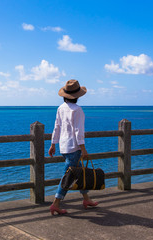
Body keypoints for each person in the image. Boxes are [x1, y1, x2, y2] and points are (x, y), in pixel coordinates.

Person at [48, 79, 98, 215]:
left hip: (63, 147)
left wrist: (53, 144)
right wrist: (83, 149)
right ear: (77, 96)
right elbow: (78, 131)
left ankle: (86, 199)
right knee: (68, 177)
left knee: (78, 173)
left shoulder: (60, 108)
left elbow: (56, 127)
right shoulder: (77, 110)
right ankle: (55, 204)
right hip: (74, 148)